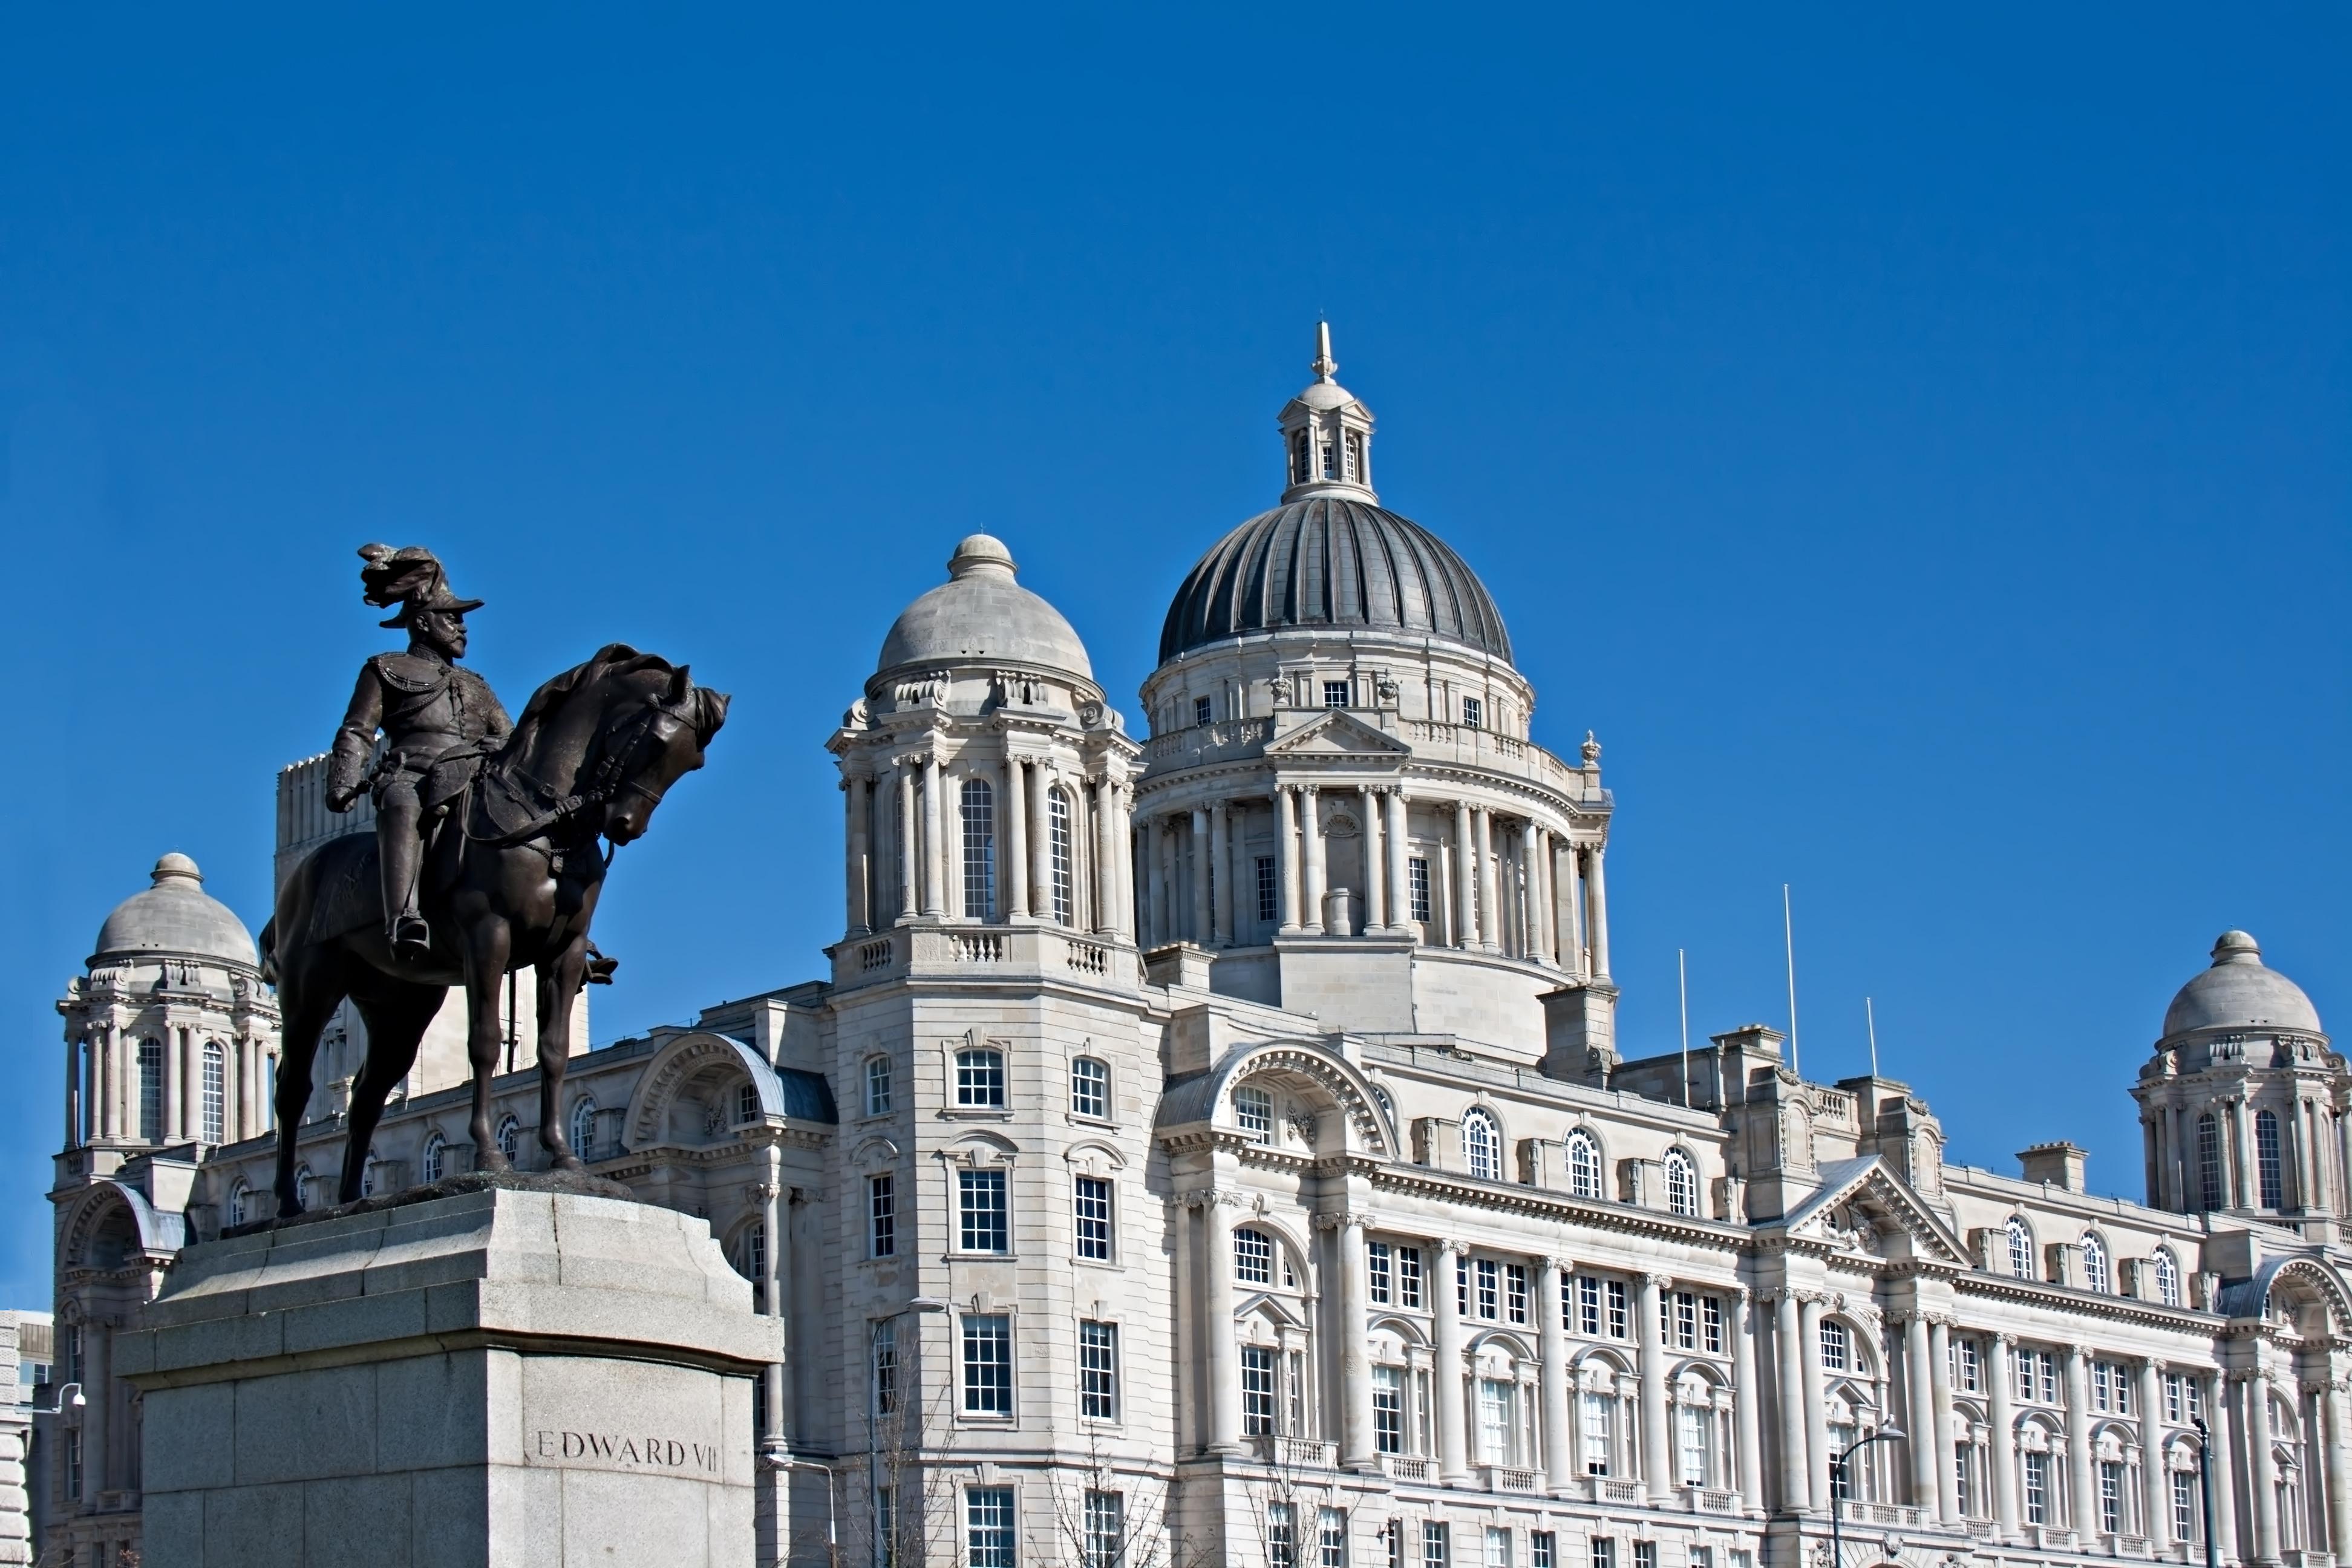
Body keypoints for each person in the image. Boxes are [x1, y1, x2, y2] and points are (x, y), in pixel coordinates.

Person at [324, 545, 511, 959]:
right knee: (401, 805)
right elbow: (357, 730)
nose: (463, 628)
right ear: (424, 622)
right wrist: (344, 779)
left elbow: (513, 738)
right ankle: (403, 917)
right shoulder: (386, 668)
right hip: (414, 774)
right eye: (453, 618)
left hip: (475, 777)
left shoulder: (477, 684)